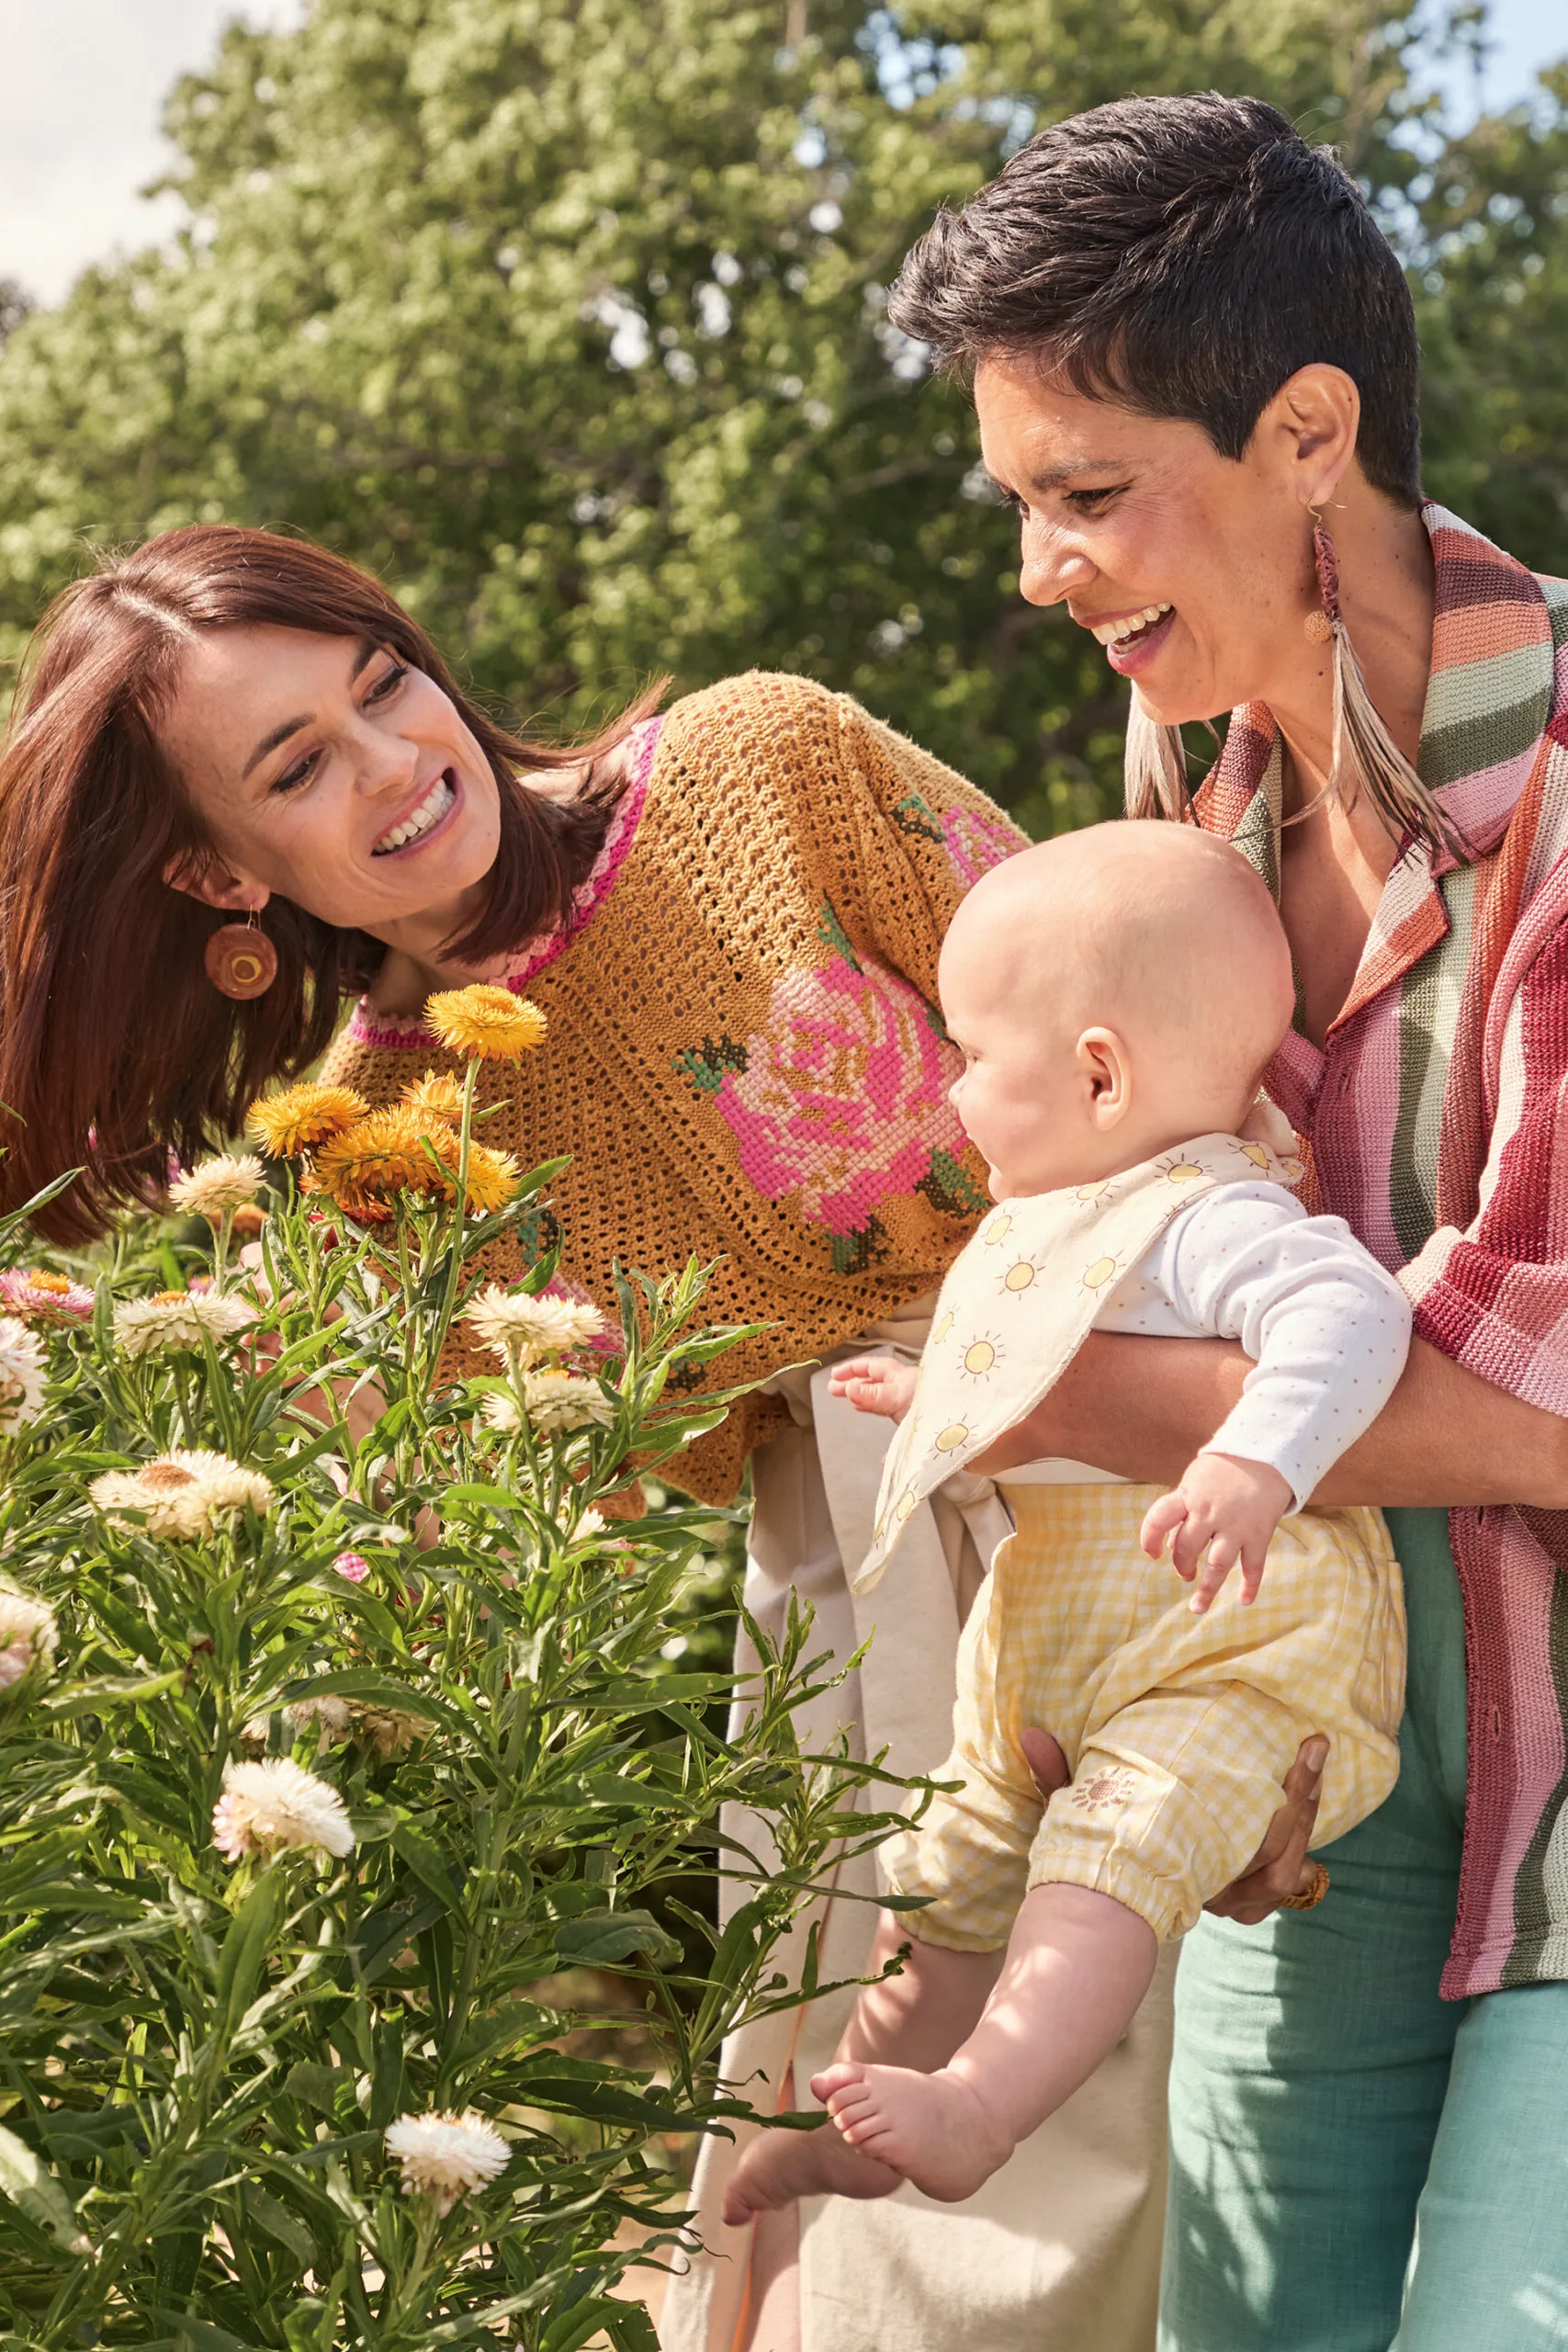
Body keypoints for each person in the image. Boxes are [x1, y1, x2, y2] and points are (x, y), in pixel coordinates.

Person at [0, 524, 1232, 2352]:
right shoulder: (377, 1139)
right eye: (296, 768)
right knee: (885, 2184)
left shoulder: (764, 762)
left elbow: (1164, 1027)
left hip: (1158, 1452)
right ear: (212, 866)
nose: (396, 764)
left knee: (1202, 2131)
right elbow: (417, 1514)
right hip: (855, 1607)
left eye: (381, 684)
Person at [887, 88, 1568, 2352]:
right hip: (1328, 1743)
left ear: (1304, 430)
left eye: (1087, 495)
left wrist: (1042, 1381)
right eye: (1018, 500)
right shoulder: (1189, 789)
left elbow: (1544, 1406)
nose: (1034, 566)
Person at [723, 822, 1408, 2220]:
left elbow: (1342, 1316)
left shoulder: (1201, 1211)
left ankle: (981, 2110)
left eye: (973, 1054)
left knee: (1107, 1865)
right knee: (947, 1890)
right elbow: (1041, 1377)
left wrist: (1255, 1464)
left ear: (1098, 1072)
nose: (954, 1093)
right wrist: (934, 1390)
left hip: (1221, 1659)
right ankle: (863, 2120)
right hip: (1058, 1652)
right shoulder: (1055, 1218)